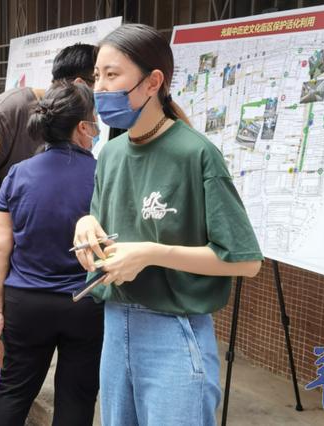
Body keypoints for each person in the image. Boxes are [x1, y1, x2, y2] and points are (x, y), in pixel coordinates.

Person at [73, 24, 263, 426]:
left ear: (152, 82)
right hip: (115, 328)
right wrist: (87, 225)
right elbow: (106, 231)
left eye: (112, 75)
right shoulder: (110, 154)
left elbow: (245, 261)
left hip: (175, 333)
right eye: (97, 77)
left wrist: (152, 254)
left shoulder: (196, 154)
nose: (101, 88)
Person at [0, 43, 97, 323]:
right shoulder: (11, 108)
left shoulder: (77, 127)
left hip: (19, 261)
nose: (104, 89)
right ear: (81, 84)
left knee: (7, 343)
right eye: (100, 78)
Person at [0, 81, 103, 426]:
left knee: (14, 391)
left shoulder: (18, 174)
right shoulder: (102, 176)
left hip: (26, 303)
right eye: (94, 120)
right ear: (83, 127)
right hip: (85, 302)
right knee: (77, 397)